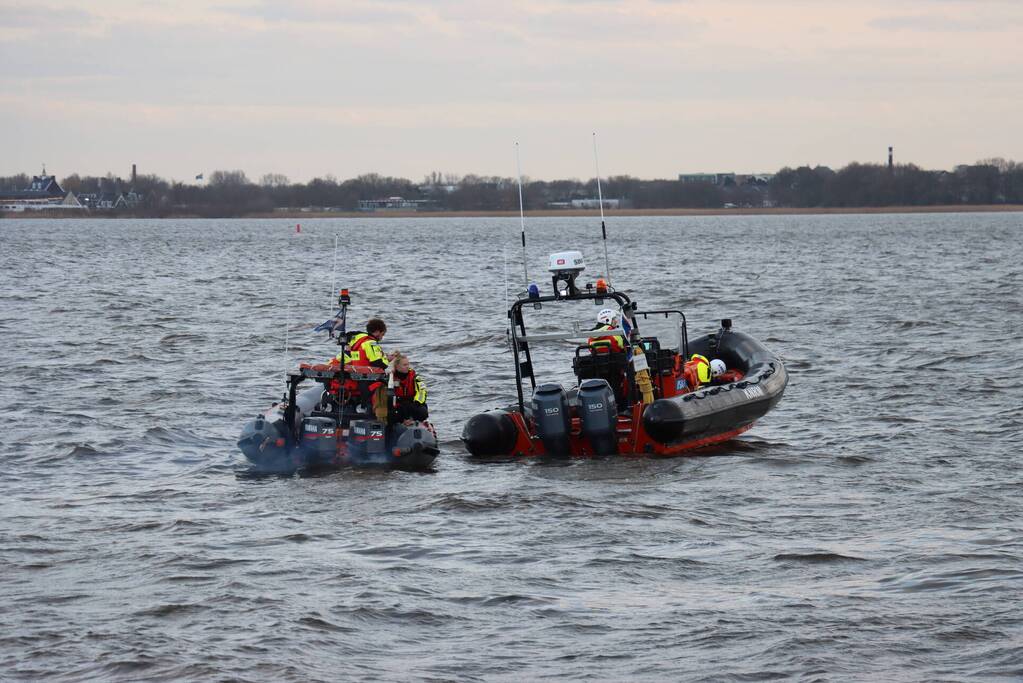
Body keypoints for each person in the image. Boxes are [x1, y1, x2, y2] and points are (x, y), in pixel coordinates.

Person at [390, 353, 429, 424]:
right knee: (392, 414)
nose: (407, 366)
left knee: (423, 412)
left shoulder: (415, 377)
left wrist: (417, 402)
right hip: (398, 404)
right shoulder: (390, 378)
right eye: (404, 365)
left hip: (412, 403)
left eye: (408, 364)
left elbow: (422, 391)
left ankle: (412, 421)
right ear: (397, 366)